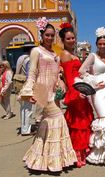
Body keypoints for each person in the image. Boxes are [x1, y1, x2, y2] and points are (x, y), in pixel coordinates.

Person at [20, 17, 77, 172]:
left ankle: (42, 159)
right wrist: (28, 91)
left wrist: (61, 80)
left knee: (48, 124)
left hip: (53, 91)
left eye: (52, 35)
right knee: (58, 118)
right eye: (47, 35)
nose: (50, 38)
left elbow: (57, 71)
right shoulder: (36, 51)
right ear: (41, 35)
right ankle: (52, 159)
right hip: (42, 89)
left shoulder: (54, 52)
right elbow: (32, 73)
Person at [79, 27, 105, 164]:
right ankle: (99, 153)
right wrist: (93, 83)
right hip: (99, 92)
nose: (102, 46)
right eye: (100, 44)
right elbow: (81, 71)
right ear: (96, 45)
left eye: (104, 44)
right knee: (103, 118)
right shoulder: (92, 56)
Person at [59, 22, 94, 168]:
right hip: (76, 93)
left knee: (84, 123)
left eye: (73, 38)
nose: (72, 40)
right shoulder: (65, 55)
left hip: (81, 91)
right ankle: (77, 154)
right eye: (68, 39)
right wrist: (75, 95)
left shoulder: (73, 54)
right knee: (78, 125)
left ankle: (82, 152)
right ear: (63, 40)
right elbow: (68, 78)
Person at [15, 46, 35, 136]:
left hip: (19, 84)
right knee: (28, 109)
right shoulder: (29, 59)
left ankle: (24, 127)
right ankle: (26, 130)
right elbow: (29, 73)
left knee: (23, 108)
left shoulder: (20, 58)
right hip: (27, 86)